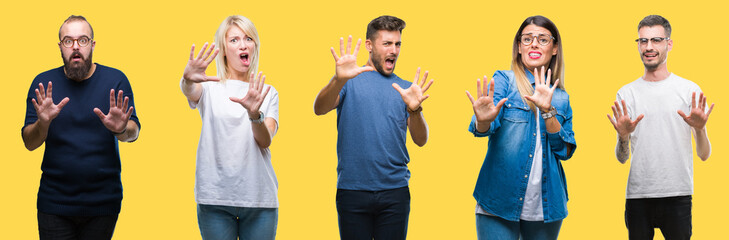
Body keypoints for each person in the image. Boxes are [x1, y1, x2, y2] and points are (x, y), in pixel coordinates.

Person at [313, 15, 433, 240]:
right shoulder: (348, 80)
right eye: (387, 43)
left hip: (395, 193)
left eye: (397, 44)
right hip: (352, 191)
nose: (394, 50)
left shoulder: (406, 89)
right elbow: (319, 108)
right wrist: (338, 80)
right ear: (369, 45)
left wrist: (414, 110)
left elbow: (421, 139)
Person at [21, 15, 141, 240]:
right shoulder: (43, 84)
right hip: (54, 203)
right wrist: (43, 124)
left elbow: (133, 133)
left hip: (103, 203)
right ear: (60, 47)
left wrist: (120, 129)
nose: (76, 47)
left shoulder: (116, 81)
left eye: (83, 40)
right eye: (68, 41)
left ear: (92, 44)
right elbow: (29, 143)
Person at [466, 15, 575, 240]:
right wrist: (484, 119)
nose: (534, 43)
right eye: (527, 39)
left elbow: (564, 151)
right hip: (498, 200)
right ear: (519, 47)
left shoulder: (562, 98)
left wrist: (547, 111)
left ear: (554, 48)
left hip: (547, 206)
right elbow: (484, 127)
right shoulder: (504, 81)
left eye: (543, 39)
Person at [606, 15, 713, 240]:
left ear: (669, 43)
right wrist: (623, 136)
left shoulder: (688, 90)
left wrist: (701, 129)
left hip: (678, 194)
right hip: (638, 196)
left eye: (656, 40)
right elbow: (621, 158)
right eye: (643, 41)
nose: (649, 47)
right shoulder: (627, 93)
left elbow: (704, 155)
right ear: (638, 45)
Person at [180, 15, 279, 240]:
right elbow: (189, 90)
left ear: (255, 45)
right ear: (223, 49)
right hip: (214, 199)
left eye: (248, 38)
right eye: (234, 40)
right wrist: (187, 79)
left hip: (259, 198)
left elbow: (265, 140)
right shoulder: (208, 87)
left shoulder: (267, 91)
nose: (243, 45)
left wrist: (254, 115)